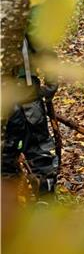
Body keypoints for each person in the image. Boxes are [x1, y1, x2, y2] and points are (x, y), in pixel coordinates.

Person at [1, 37, 59, 203]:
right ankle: (45, 204)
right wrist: (50, 85)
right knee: (39, 151)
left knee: (5, 157)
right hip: (25, 95)